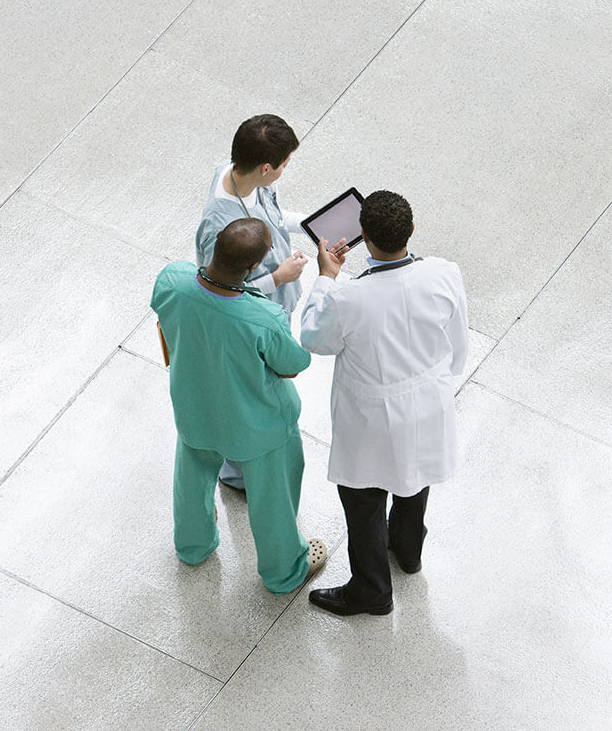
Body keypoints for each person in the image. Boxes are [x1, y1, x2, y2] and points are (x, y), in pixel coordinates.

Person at [300, 190, 468, 616]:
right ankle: (408, 552)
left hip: (371, 420)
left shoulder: (349, 298)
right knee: (416, 477)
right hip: (429, 404)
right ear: (411, 230)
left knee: (364, 501)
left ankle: (373, 591)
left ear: (362, 236)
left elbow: (313, 339)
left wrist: (325, 277)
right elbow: (458, 344)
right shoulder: (445, 274)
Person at [151, 217, 326, 595]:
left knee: (192, 479)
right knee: (272, 498)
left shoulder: (172, 281)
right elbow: (294, 364)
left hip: (195, 411)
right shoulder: (263, 319)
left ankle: (193, 546)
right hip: (256, 430)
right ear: (251, 269)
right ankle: (285, 570)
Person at [196, 114, 308, 490]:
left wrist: (312, 223)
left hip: (276, 303)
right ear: (265, 168)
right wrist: (278, 277)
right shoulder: (218, 223)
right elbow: (221, 287)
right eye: (282, 165)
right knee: (248, 391)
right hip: (250, 315)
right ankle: (239, 474)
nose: (283, 171)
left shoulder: (246, 180)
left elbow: (273, 217)